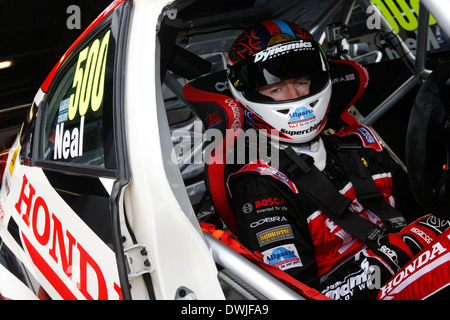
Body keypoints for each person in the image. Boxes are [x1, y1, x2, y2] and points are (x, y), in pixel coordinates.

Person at [223, 20, 450, 299]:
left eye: (301, 83)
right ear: (251, 95)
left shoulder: (358, 142)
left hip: (411, 264)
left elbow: (420, 211)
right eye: (277, 89)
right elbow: (296, 291)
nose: (295, 96)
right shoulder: (261, 184)